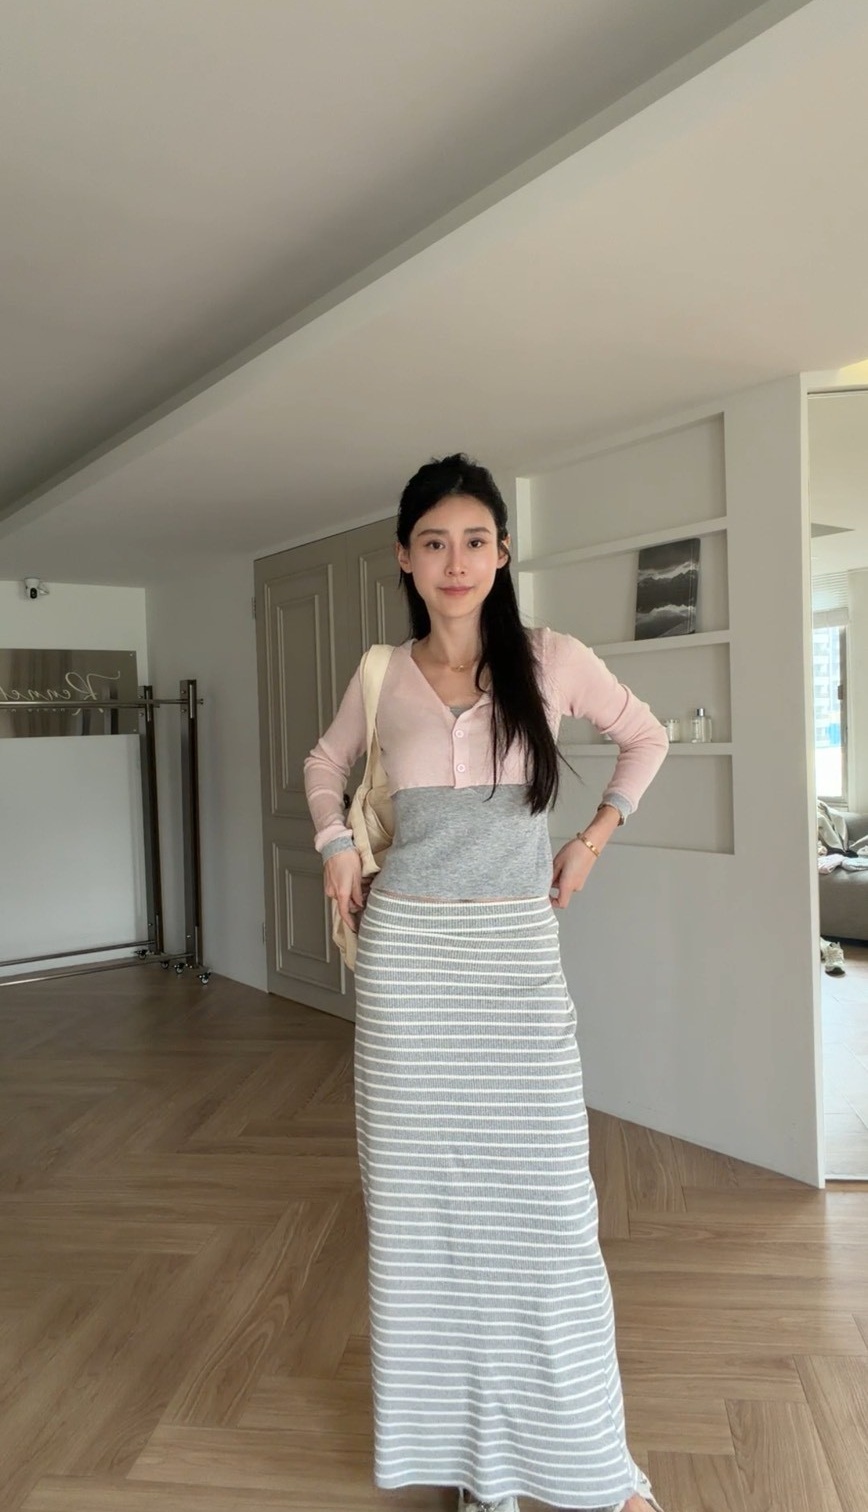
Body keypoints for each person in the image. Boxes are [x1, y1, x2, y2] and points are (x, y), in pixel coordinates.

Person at [303, 454, 669, 1512]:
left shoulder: (550, 659)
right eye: (434, 542)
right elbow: (324, 766)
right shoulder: (381, 674)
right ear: (405, 559)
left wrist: (592, 840)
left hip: (514, 961)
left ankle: (595, 1468)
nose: (455, 561)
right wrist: (335, 844)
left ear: (503, 553)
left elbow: (644, 737)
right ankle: (478, 1468)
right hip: (410, 970)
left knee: (550, 1216)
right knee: (425, 1222)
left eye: (474, 540)